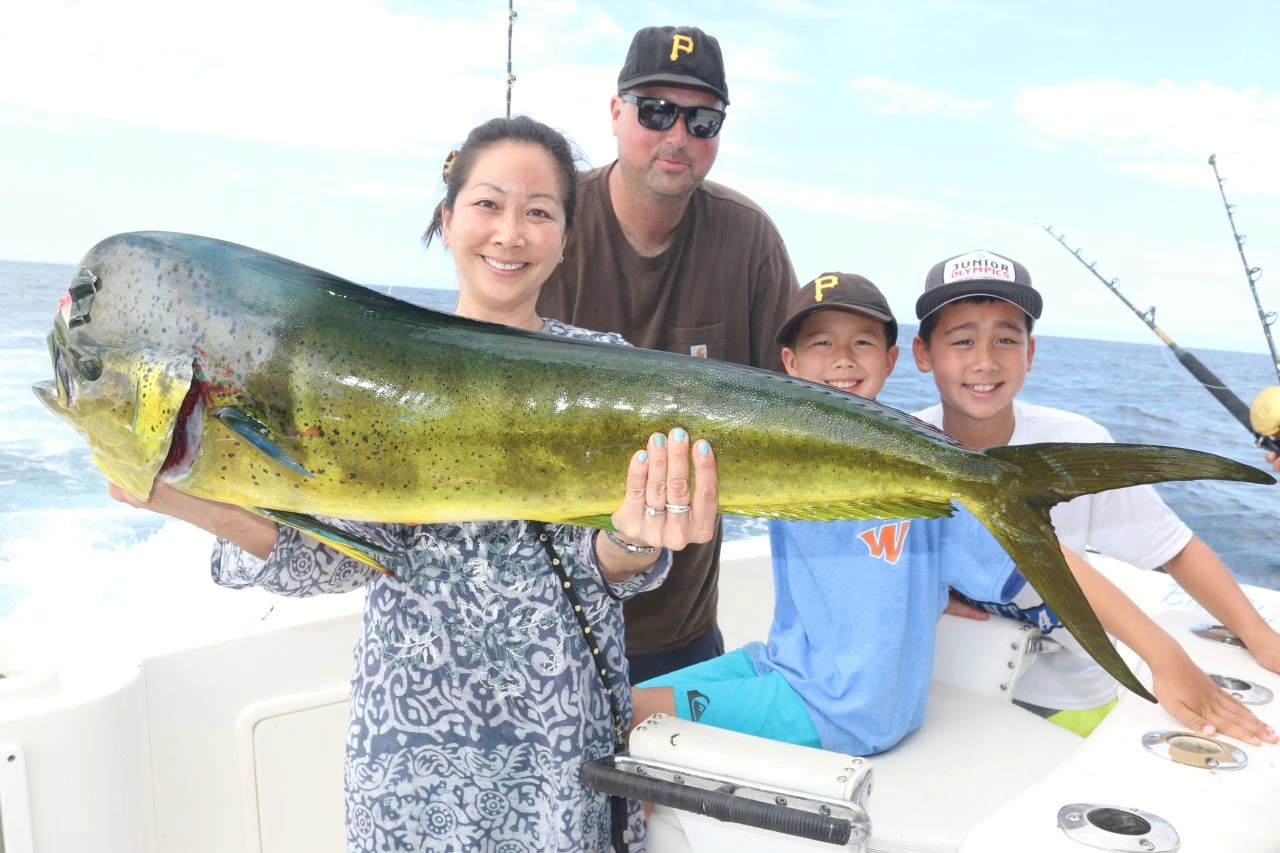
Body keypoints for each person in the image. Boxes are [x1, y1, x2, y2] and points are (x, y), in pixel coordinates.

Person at [108, 116, 721, 853]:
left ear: (566, 237)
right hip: (409, 756)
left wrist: (635, 537)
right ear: (448, 218)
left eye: (538, 212)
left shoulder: (610, 370)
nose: (509, 233)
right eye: (488, 204)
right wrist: (182, 500)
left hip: (557, 744)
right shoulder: (375, 373)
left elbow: (613, 569)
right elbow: (341, 553)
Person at [630, 271, 1276, 758]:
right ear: (789, 367)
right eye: (821, 345)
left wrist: (1166, 657)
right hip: (785, 661)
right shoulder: (778, 453)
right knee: (604, 696)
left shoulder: (925, 470)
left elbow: (1054, 564)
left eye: (862, 343)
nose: (844, 359)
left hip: (842, 706)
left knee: (621, 715)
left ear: (892, 358)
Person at [911, 249, 1280, 736]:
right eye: (962, 340)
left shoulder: (1080, 444)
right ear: (922, 354)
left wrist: (1261, 638)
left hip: (1071, 699)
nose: (985, 360)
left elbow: (1175, 549)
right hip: (939, 692)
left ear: (1031, 353)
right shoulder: (900, 449)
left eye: (1006, 338)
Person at [537, 24, 798, 683]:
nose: (678, 135)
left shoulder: (750, 240)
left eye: (702, 119)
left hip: (677, 630)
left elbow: (810, 415)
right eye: (656, 110)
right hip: (541, 618)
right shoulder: (547, 225)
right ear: (616, 110)